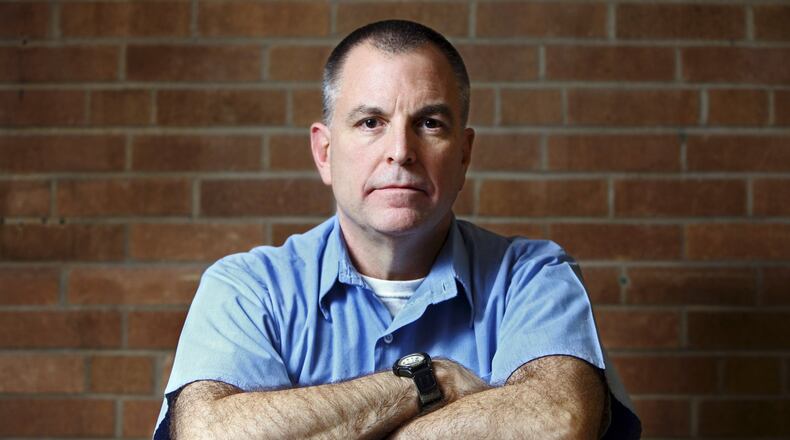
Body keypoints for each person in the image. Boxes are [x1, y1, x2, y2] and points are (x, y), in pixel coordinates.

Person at [154, 19, 641, 439]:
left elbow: (558, 421)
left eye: (429, 123)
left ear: (464, 154)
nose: (401, 152)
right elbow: (206, 432)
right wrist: (429, 383)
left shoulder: (533, 278)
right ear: (324, 152)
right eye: (371, 122)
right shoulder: (248, 289)